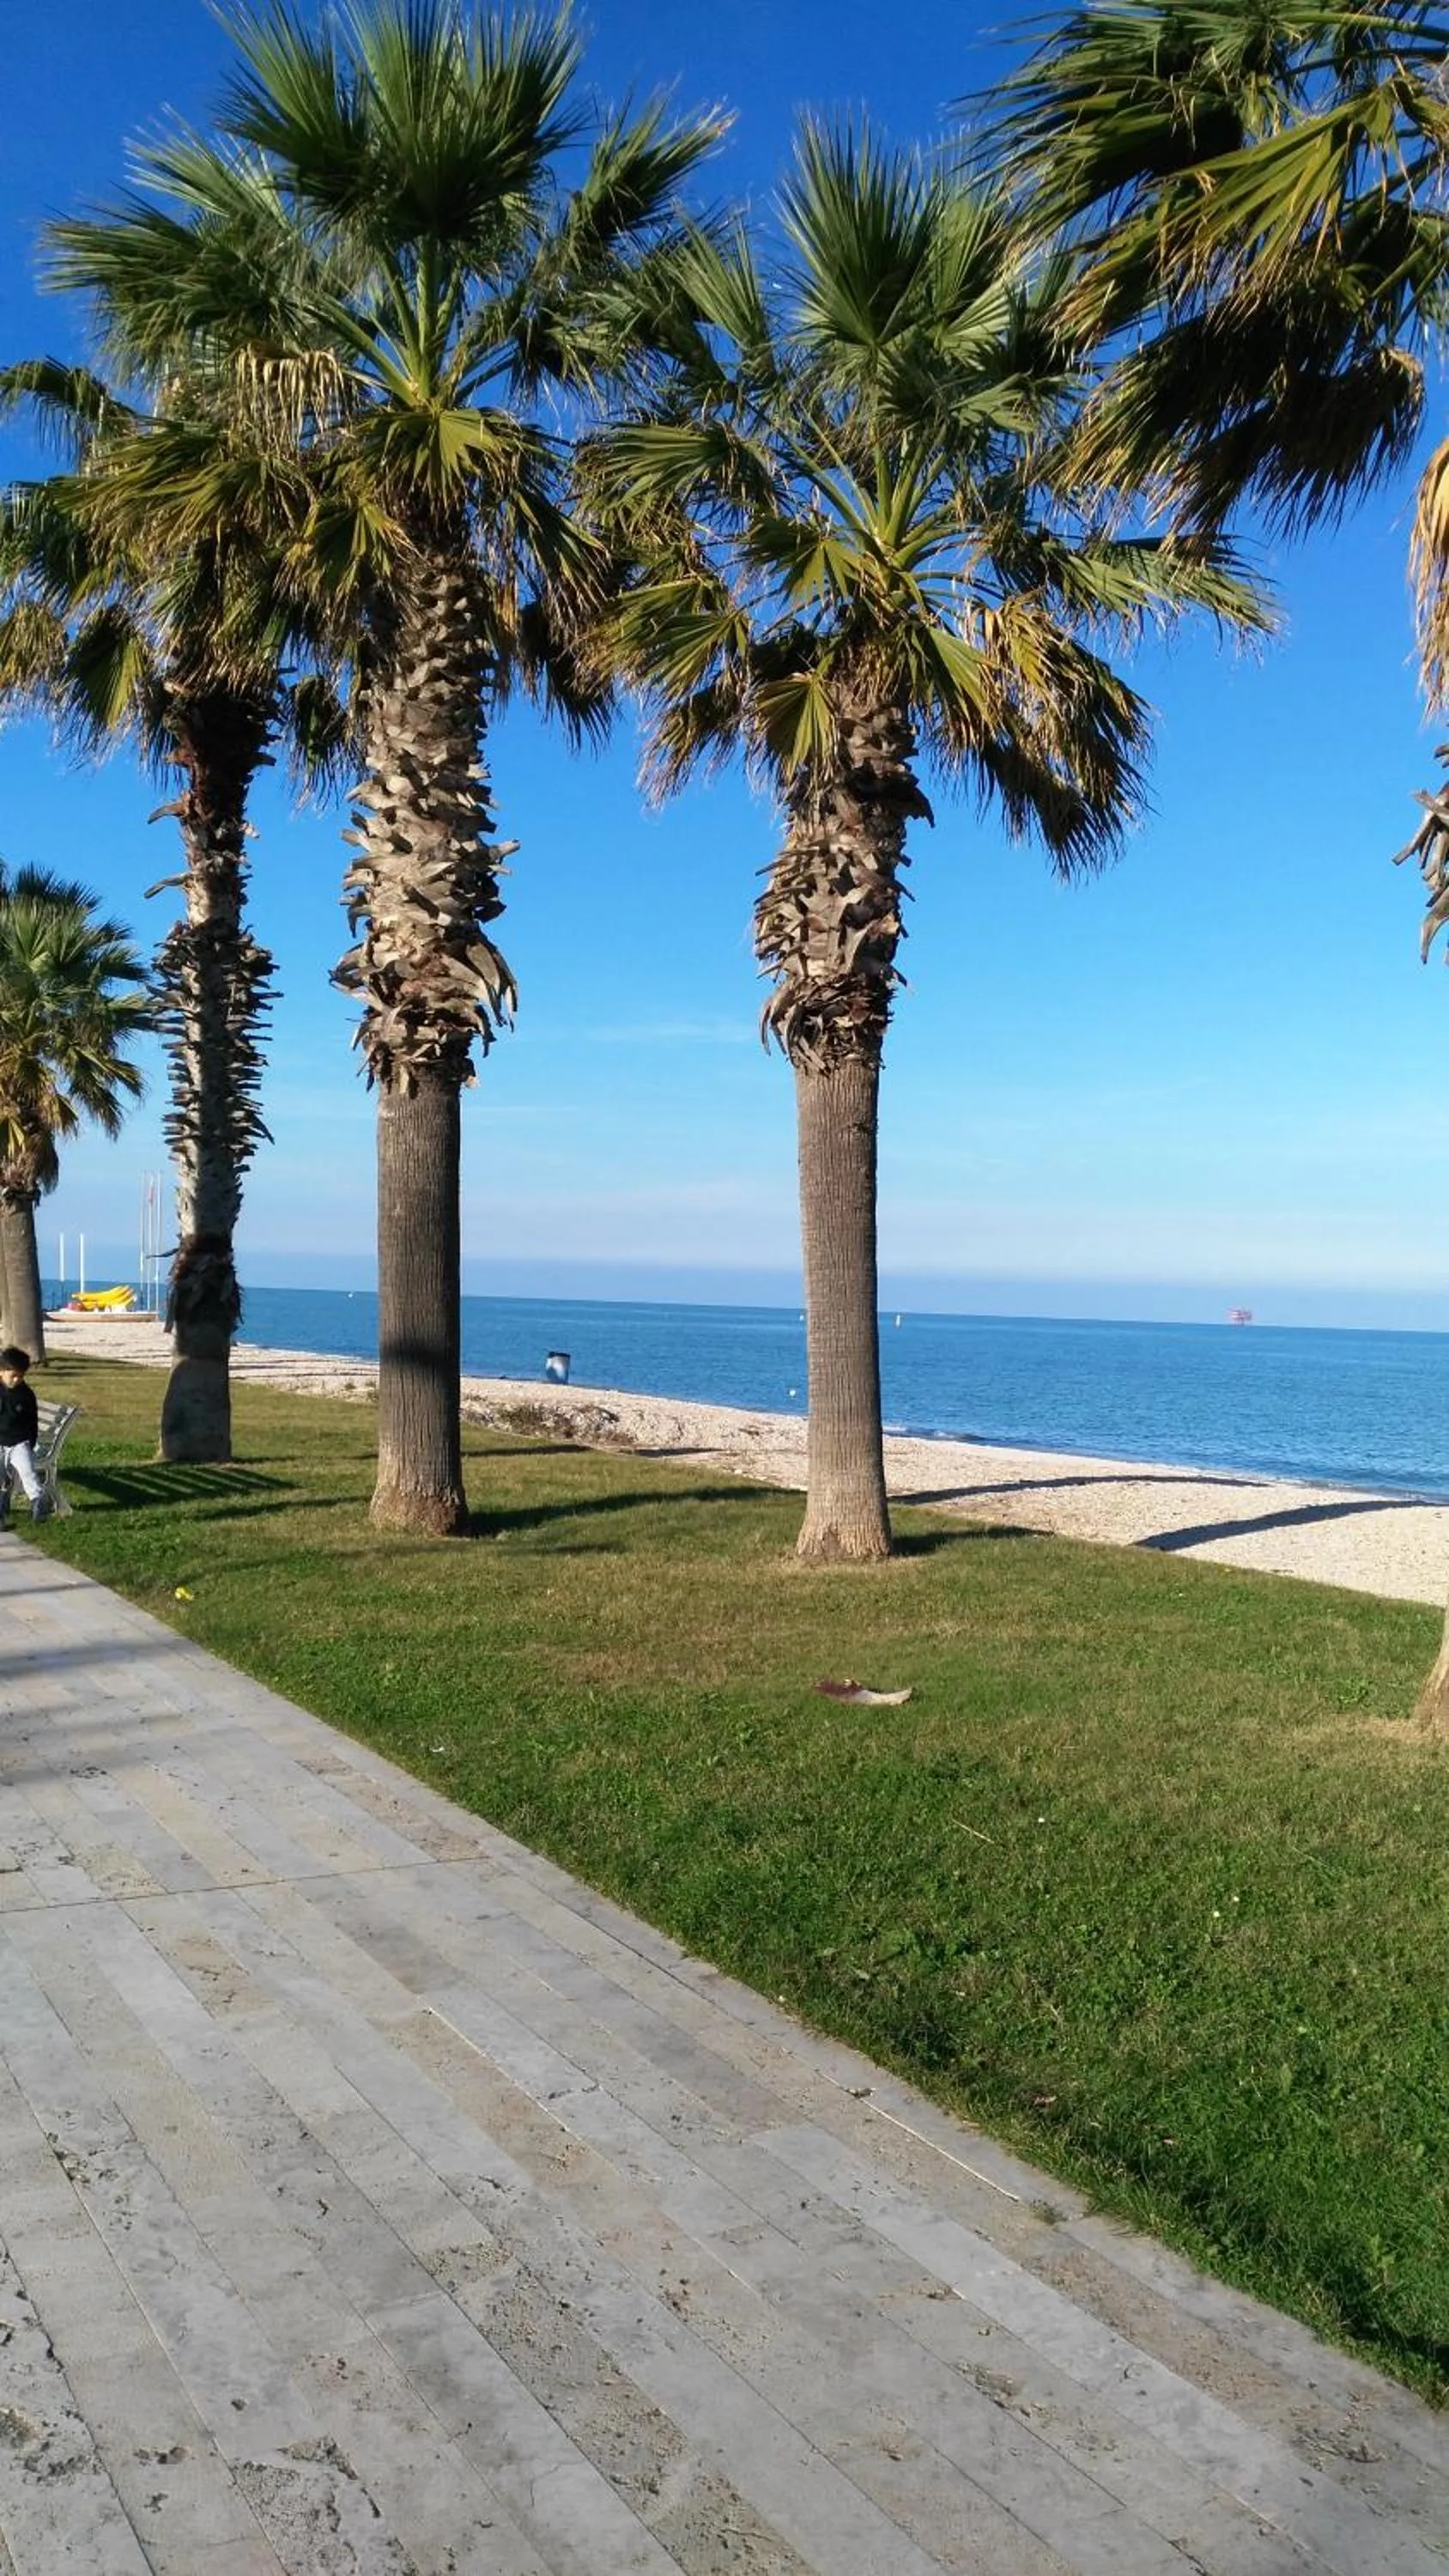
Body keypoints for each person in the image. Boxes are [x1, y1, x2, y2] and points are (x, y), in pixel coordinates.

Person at [0, 1346, 47, 1526]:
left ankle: (38, 1504)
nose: (17, 1379)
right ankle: (1, 1514)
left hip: (20, 1443)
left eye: (21, 1376)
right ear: (1, 1371)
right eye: (13, 1375)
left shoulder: (26, 1395)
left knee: (29, 1474)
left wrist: (30, 1443)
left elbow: (32, 1422)